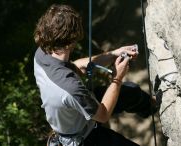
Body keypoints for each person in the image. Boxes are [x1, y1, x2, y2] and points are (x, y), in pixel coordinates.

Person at [34, 4, 153, 146]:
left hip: (75, 113)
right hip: (85, 138)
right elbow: (103, 115)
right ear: (71, 41)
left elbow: (75, 67)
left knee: (131, 92)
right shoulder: (71, 88)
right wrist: (117, 78)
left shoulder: (43, 53)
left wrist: (113, 54)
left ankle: (154, 105)